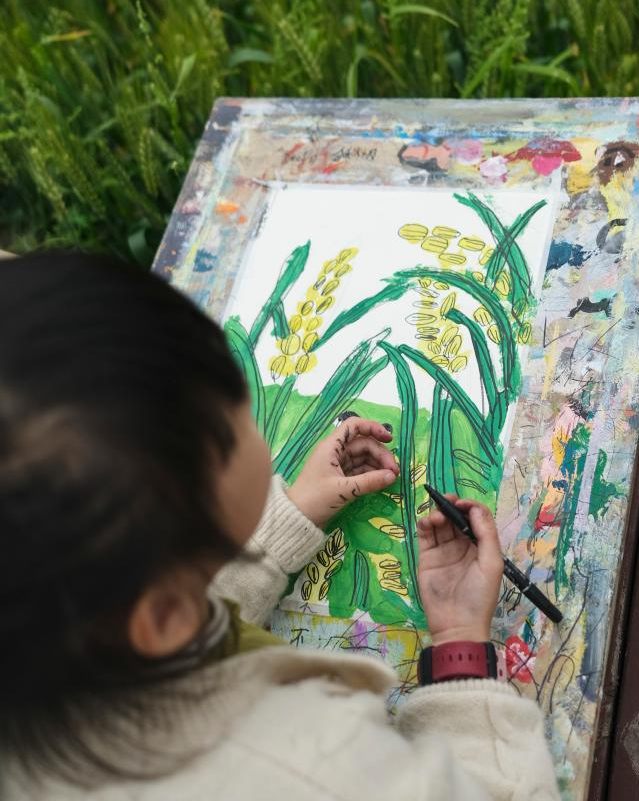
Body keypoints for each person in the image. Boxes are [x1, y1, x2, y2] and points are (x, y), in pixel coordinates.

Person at [0, 252, 560, 801]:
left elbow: (192, 599)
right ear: (164, 615)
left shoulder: (73, 637)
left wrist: (290, 517)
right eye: (235, 410)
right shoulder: (319, 765)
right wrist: (460, 644)